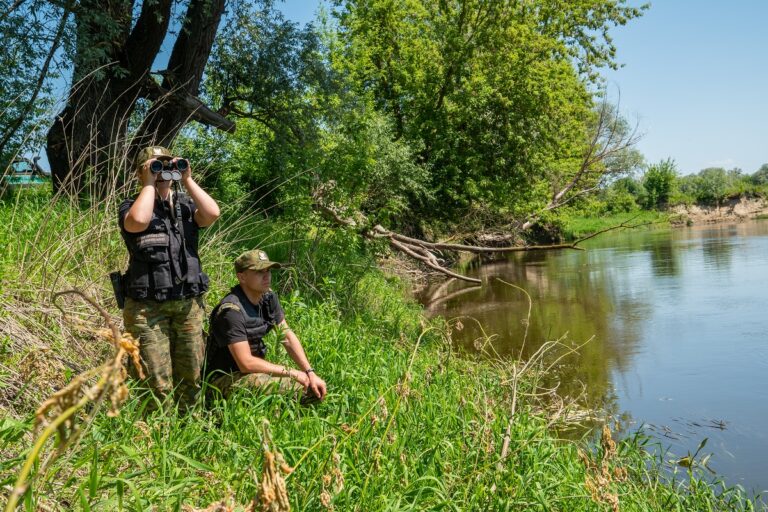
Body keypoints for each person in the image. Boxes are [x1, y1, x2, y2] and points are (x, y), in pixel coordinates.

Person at [119, 146, 220, 411]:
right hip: (147, 309)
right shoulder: (131, 206)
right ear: (140, 172)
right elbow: (138, 222)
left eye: (166, 165)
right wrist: (150, 183)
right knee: (155, 381)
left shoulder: (186, 206)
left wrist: (186, 178)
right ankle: (155, 434)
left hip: (187, 305)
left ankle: (190, 428)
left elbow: (212, 214)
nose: (162, 171)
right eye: (155, 165)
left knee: (191, 376)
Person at [205, 249, 327, 402]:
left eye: (268, 270)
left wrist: (309, 372)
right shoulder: (231, 311)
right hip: (222, 379)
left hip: (252, 375)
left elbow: (286, 336)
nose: (266, 276)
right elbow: (246, 363)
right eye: (259, 272)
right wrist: (292, 372)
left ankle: (279, 417)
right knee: (283, 388)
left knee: (313, 389)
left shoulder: (267, 298)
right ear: (241, 277)